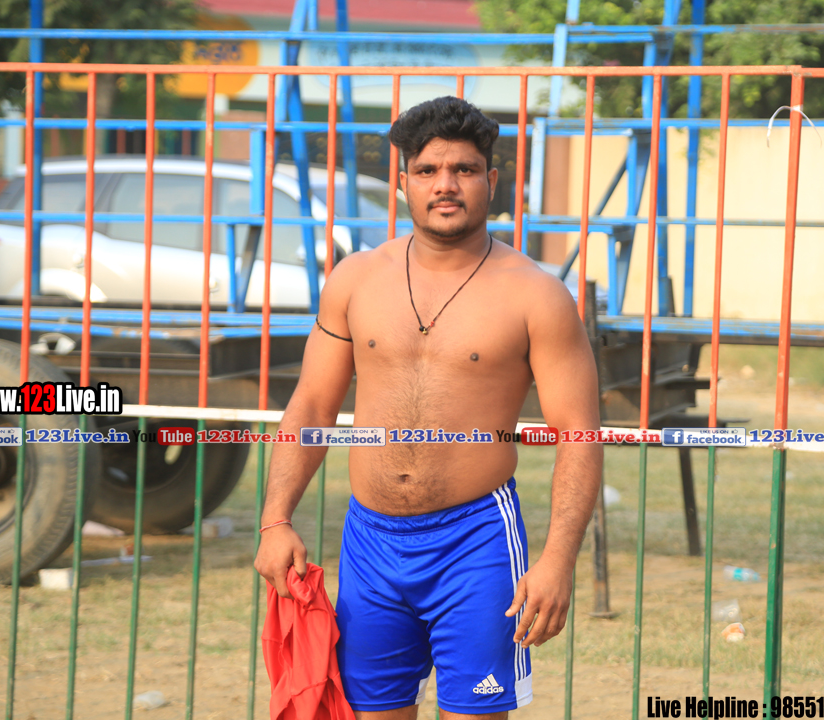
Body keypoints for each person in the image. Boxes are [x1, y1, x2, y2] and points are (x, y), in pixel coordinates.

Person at [254, 96, 603, 720]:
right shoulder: (356, 279)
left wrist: (557, 559)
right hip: (370, 543)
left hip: (476, 543)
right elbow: (311, 404)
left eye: (464, 170)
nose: (446, 185)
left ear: (492, 180)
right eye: (428, 171)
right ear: (403, 183)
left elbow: (578, 432)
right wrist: (274, 519)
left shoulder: (537, 296)